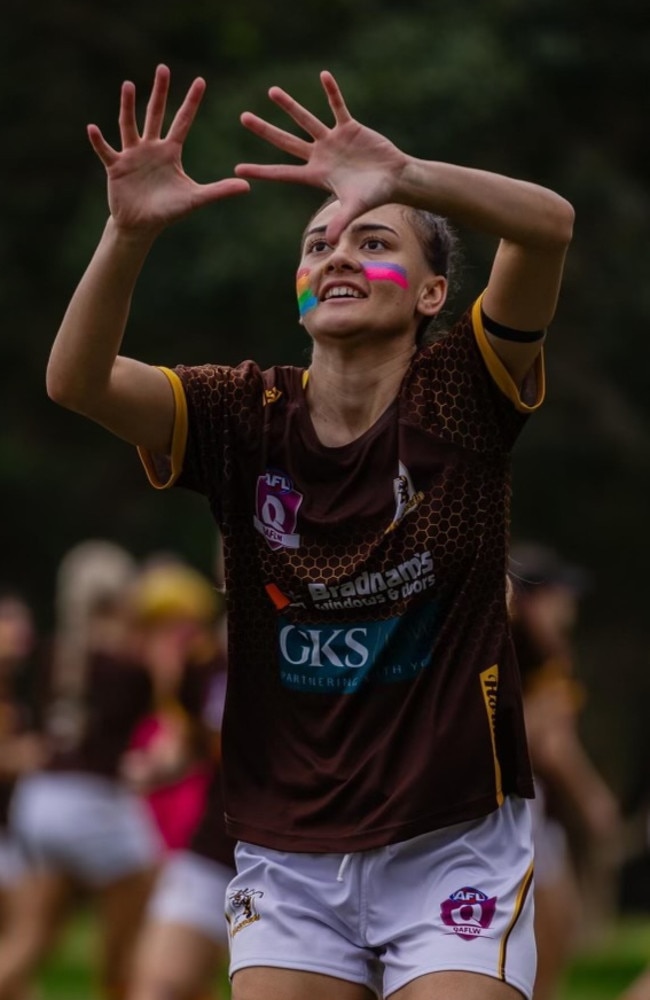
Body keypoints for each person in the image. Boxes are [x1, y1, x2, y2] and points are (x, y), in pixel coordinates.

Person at [46, 63, 574, 1000]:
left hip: (451, 842)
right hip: (289, 852)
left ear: (429, 294)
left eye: (372, 241)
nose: (336, 255)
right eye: (318, 243)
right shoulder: (239, 415)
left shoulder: (459, 398)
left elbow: (549, 224)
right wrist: (126, 235)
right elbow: (77, 382)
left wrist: (406, 175)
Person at [0, 541, 163, 1000]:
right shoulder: (130, 667)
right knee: (142, 907)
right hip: (91, 804)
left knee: (31, 938)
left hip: (37, 802)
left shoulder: (55, 654)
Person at [508, 543, 622, 1000]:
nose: (569, 605)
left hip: (524, 812)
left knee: (553, 932)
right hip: (516, 811)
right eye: (561, 594)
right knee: (552, 934)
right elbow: (549, 744)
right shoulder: (531, 651)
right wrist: (593, 798)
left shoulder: (537, 655)